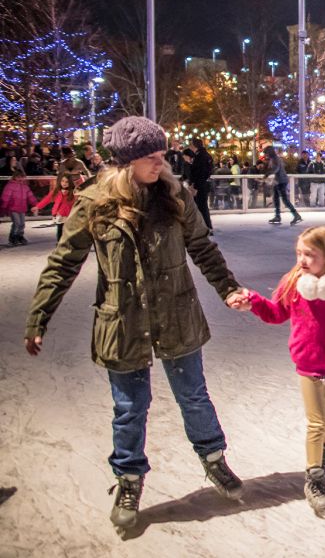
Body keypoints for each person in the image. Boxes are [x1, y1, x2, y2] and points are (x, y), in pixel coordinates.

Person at [24, 116, 247, 531]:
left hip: (177, 314)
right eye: (151, 157)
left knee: (194, 396)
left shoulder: (175, 194)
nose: (160, 164)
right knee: (130, 409)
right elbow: (63, 262)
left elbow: (202, 246)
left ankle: (214, 460)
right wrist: (40, 316)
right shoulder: (95, 202)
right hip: (122, 321)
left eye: (162, 155)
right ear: (125, 160)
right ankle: (129, 479)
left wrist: (227, 288)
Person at [238, 226, 325, 519]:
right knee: (317, 423)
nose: (302, 259)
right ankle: (314, 479)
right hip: (308, 366)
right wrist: (255, 302)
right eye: (299, 253)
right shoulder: (294, 283)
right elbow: (275, 313)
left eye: (310, 254)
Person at [263, 145, 302, 226]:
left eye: (266, 153)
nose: (266, 155)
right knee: (276, 198)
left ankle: (296, 215)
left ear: (270, 152)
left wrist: (267, 173)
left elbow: (276, 169)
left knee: (285, 200)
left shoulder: (275, 159)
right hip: (278, 181)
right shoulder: (274, 159)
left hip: (281, 181)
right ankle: (277, 216)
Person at [33, 173, 78, 242]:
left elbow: (79, 203)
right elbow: (47, 199)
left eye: (66, 182)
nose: (64, 183)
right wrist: (37, 207)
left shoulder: (74, 192)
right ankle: (59, 244)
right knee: (60, 230)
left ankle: (69, 245)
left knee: (69, 231)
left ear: (70, 182)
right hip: (59, 215)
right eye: (62, 181)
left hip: (70, 215)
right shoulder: (56, 191)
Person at [1, 166, 38, 246]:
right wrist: (3, 207)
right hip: (13, 208)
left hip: (22, 208)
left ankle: (20, 236)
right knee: (17, 223)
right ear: (14, 177)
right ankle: (13, 237)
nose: (20, 179)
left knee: (22, 224)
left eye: (22, 177)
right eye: (18, 177)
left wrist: (35, 204)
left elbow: (30, 196)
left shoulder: (25, 186)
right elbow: (5, 197)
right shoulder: (10, 186)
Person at [188, 138, 214, 231]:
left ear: (194, 146)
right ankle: (205, 226)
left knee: (201, 206)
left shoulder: (200, 157)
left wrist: (195, 186)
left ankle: (206, 226)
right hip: (204, 184)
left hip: (200, 186)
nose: (189, 147)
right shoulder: (207, 155)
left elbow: (199, 173)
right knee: (202, 206)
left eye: (191, 145)